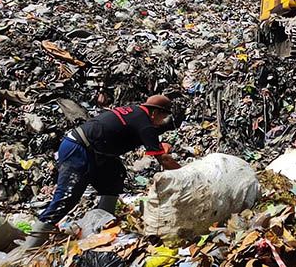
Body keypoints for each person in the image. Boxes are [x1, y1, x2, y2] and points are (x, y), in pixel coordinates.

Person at [23, 95, 182, 247]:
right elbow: (163, 159)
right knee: (68, 196)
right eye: (162, 118)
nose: (161, 122)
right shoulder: (145, 123)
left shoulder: (135, 112)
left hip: (96, 152)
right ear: (155, 112)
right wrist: (189, 173)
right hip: (79, 148)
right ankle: (32, 243)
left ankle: (103, 225)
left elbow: (155, 148)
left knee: (114, 177)